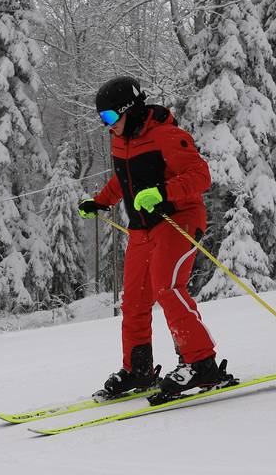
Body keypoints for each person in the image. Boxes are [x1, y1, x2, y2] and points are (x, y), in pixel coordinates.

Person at [78, 75, 228, 399]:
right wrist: (101, 201)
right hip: (142, 228)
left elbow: (201, 176)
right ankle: (138, 370)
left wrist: (162, 192)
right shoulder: (121, 140)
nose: (107, 125)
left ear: (128, 110)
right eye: (101, 118)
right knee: (133, 300)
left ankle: (201, 364)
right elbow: (124, 179)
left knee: (167, 286)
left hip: (178, 220)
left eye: (109, 117)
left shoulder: (166, 136)